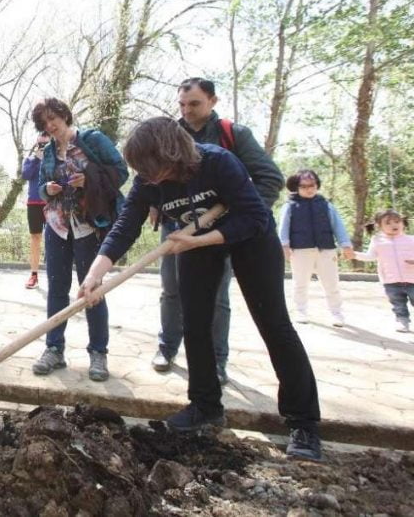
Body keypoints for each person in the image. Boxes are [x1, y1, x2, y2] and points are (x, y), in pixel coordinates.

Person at [80, 117, 323, 461]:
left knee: (274, 325)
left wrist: (199, 238)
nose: (148, 177)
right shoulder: (149, 181)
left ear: (171, 154)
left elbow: (253, 216)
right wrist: (95, 274)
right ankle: (205, 406)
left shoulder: (218, 162)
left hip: (250, 238)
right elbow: (126, 225)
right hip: (194, 242)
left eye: (152, 168)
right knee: (195, 323)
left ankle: (304, 424)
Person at [151, 77, 285, 386]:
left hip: (220, 232)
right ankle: (167, 348)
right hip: (177, 227)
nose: (186, 111)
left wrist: (241, 213)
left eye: (194, 104)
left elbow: (269, 178)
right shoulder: (171, 134)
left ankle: (218, 361)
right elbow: (156, 177)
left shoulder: (232, 135)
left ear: (213, 101)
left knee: (216, 297)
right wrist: (156, 202)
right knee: (171, 289)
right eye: (182, 105)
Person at [30, 98, 127, 382]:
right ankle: (54, 349)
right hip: (58, 227)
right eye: (44, 123)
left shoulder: (92, 139)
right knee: (57, 290)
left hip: (89, 225)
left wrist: (89, 180)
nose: (50, 125)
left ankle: (98, 353)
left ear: (64, 114)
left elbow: (120, 173)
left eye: (53, 118)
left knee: (92, 290)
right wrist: (47, 189)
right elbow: (40, 188)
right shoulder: (47, 152)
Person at [279, 169, 354, 326]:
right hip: (300, 250)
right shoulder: (290, 206)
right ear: (296, 187)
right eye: (304, 186)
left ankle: (336, 313)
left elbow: (338, 226)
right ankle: (301, 310)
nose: (309, 189)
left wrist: (345, 245)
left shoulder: (326, 205)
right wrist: (284, 245)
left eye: (312, 185)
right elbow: (283, 227)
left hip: (326, 249)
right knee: (300, 282)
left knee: (331, 283)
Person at [352, 209, 414, 333]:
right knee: (398, 304)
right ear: (379, 226)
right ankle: (402, 322)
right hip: (390, 282)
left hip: (412, 279)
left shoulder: (411, 240)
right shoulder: (377, 241)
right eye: (388, 223)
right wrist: (354, 255)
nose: (394, 225)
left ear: (403, 223)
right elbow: (370, 256)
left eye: (397, 221)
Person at [21, 134, 49, 289]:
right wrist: (37, 158)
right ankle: (33, 275)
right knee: (35, 238)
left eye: (46, 144)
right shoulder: (30, 160)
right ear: (36, 145)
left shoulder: (56, 159)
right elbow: (25, 175)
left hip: (52, 203)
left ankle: (55, 275)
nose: (43, 148)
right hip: (34, 203)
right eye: (41, 145)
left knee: (56, 238)